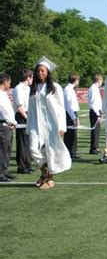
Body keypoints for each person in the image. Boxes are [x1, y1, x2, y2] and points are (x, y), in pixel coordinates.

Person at [27, 56, 71, 189]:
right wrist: (29, 126)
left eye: (43, 71)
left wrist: (62, 126)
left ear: (47, 72)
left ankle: (50, 179)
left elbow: (61, 107)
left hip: (52, 124)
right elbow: (30, 108)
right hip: (36, 124)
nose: (40, 73)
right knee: (33, 149)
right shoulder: (34, 88)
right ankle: (45, 173)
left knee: (51, 151)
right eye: (38, 71)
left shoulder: (55, 87)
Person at [12, 69, 34, 174]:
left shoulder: (28, 88)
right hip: (22, 116)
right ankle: (21, 166)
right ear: (28, 78)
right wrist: (27, 118)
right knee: (22, 142)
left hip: (28, 115)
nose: (33, 79)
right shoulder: (18, 88)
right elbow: (19, 106)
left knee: (28, 142)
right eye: (32, 77)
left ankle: (27, 164)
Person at [0, 73, 17, 182]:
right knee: (2, 150)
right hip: (4, 124)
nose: (10, 84)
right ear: (5, 82)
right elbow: (4, 110)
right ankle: (0, 173)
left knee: (7, 149)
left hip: (7, 124)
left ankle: (5, 171)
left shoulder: (3, 93)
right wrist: (12, 122)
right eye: (9, 82)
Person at [63, 73, 81, 160]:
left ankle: (73, 151)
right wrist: (73, 117)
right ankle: (70, 152)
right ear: (75, 80)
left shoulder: (70, 89)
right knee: (70, 134)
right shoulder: (68, 89)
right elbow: (68, 105)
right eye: (78, 80)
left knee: (73, 134)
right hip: (70, 113)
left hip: (73, 112)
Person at [87, 74, 103, 154]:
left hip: (96, 111)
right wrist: (98, 114)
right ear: (99, 80)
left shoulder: (95, 89)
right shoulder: (93, 89)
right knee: (95, 130)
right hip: (95, 111)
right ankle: (93, 148)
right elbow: (93, 103)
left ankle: (96, 146)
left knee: (97, 130)